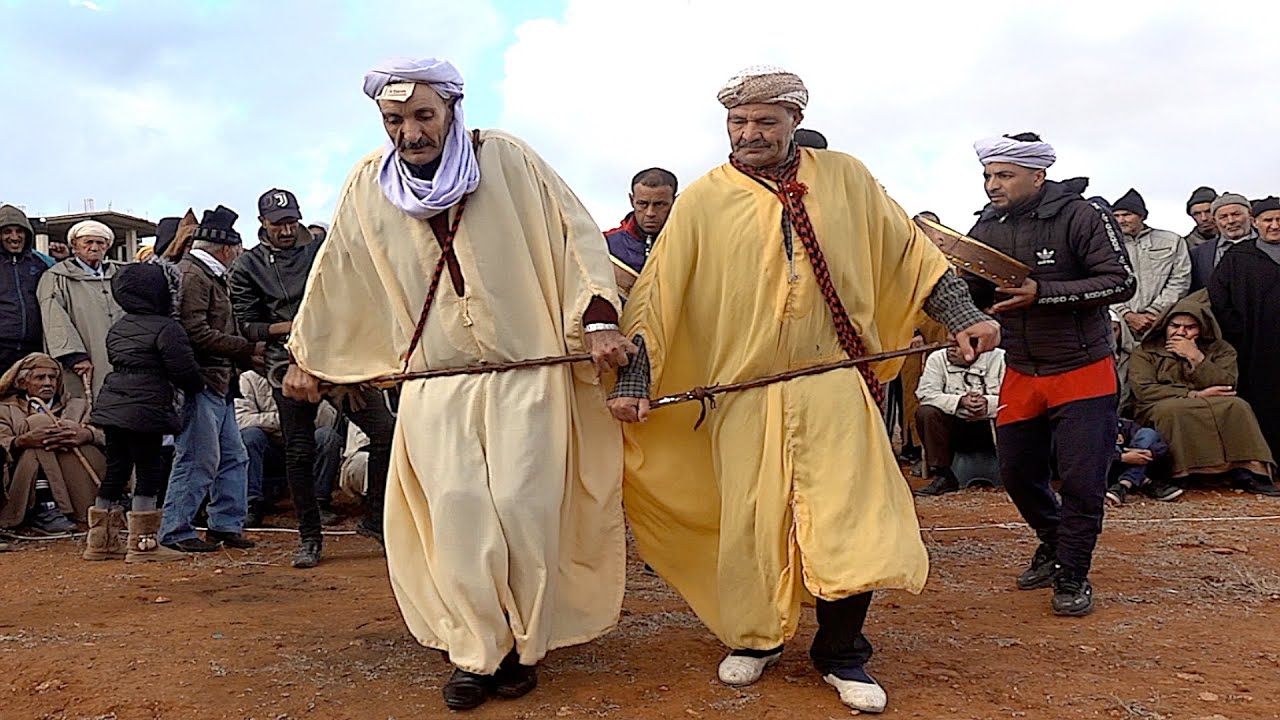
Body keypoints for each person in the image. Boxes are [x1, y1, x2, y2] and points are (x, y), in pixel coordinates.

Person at [609, 65, 999, 714]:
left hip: (836, 385)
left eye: (765, 121)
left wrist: (964, 316)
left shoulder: (843, 176)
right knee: (753, 525)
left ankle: (843, 654)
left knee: (853, 521)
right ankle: (755, 639)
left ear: (794, 120)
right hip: (743, 393)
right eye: (738, 122)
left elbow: (910, 253)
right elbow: (658, 295)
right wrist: (633, 379)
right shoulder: (705, 197)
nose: (750, 133)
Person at [282, 57, 629, 711]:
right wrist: (310, 355)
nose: (410, 132)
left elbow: (575, 233)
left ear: (451, 111)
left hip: (529, 377)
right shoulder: (367, 183)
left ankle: (525, 648)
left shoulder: (507, 159)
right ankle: (477, 651)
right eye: (395, 120)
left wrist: (598, 314)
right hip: (437, 384)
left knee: (525, 512)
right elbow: (339, 271)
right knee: (461, 514)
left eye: (422, 116)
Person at [966, 133, 1136, 618]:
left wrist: (1041, 292)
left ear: (1038, 176)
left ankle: (1073, 572)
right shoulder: (985, 223)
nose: (991, 184)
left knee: (1082, 481)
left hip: (1084, 368)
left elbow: (1121, 282)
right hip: (1021, 365)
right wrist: (967, 318)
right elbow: (976, 290)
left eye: (1003, 175)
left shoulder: (1084, 214)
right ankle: (1053, 541)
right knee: (1018, 473)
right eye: (987, 175)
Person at [230, 187, 395, 567]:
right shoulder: (247, 266)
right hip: (285, 365)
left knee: (386, 432)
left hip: (338, 361)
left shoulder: (322, 251)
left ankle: (375, 519)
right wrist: (301, 325)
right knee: (299, 449)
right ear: (262, 224)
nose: (286, 231)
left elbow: (350, 300)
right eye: (278, 224)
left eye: (291, 222)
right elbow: (249, 326)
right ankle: (309, 537)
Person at [159, 206, 264, 553]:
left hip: (219, 380)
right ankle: (175, 530)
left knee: (234, 456)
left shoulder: (204, 274)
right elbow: (194, 332)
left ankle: (224, 524)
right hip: (202, 380)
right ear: (226, 248)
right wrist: (246, 348)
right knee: (197, 458)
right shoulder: (194, 275)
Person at [86, 261, 207, 562]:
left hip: (113, 404)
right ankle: (144, 544)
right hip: (147, 406)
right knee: (149, 470)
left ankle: (100, 541)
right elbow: (182, 369)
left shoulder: (118, 326)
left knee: (116, 468)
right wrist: (199, 385)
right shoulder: (167, 327)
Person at [1129, 300, 1277, 495]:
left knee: (1236, 406)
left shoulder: (1221, 349)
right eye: (1175, 326)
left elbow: (1228, 383)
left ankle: (1248, 472)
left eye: (1189, 327)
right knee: (1173, 411)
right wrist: (1192, 395)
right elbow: (1144, 389)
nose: (1181, 332)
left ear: (1202, 329)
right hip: (1161, 403)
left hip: (1214, 399)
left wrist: (1197, 358)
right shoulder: (1145, 351)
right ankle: (1178, 474)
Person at [0, 353, 105, 533]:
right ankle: (45, 506)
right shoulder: (5, 409)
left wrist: (87, 434)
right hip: (24, 481)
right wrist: (22, 441)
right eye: (40, 378)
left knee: (62, 428)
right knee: (38, 425)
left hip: (76, 481)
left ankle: (63, 508)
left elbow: (108, 435)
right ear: (23, 383)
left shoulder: (78, 406)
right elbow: (2, 444)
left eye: (53, 377)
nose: (48, 383)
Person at [1210, 196, 1280, 460]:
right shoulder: (1237, 258)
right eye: (1267, 220)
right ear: (1255, 222)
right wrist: (1239, 334)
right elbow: (1220, 300)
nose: (1274, 225)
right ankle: (1264, 462)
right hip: (1255, 349)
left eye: (1279, 219)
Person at [234, 368, 343, 528]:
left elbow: (327, 419)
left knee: (327, 437)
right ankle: (252, 504)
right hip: (270, 447)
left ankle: (320, 502)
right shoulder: (249, 378)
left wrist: (314, 395)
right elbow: (242, 420)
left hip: (303, 441)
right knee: (250, 436)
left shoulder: (309, 376)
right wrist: (287, 418)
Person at [37, 220, 124, 399]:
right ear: (75, 246)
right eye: (88, 242)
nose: (94, 247)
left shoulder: (120, 276)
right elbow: (54, 318)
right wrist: (74, 356)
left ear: (107, 246)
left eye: (100, 243)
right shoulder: (56, 277)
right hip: (83, 358)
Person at [912, 344, 1005, 496]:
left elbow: (1013, 396)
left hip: (993, 426)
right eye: (948, 342)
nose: (950, 348)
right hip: (954, 426)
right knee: (926, 412)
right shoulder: (937, 358)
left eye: (957, 343)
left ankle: (1017, 475)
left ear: (977, 345)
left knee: (1017, 413)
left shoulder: (1001, 358)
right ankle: (943, 475)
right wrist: (960, 401)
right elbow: (925, 394)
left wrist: (987, 403)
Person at [1109, 189, 1191, 339]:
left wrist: (1154, 311)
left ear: (1142, 216)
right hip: (1119, 325)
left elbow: (1180, 279)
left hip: (1162, 320)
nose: (1121, 220)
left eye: (1127, 215)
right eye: (1116, 216)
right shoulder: (1106, 245)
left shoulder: (1172, 241)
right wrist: (1126, 314)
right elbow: (1103, 282)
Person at [604, 168, 677, 301]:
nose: (650, 213)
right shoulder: (605, 245)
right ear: (632, 200)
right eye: (642, 204)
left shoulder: (690, 245)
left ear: (675, 201)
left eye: (660, 204)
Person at [0, 205, 52, 373]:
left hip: (35, 348)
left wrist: (65, 257)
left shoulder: (43, 262)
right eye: (7, 231)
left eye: (19, 231)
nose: (14, 237)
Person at [1190, 193, 1255, 291]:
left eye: (1236, 214)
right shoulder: (1199, 254)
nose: (1231, 221)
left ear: (1250, 215)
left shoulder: (1271, 246)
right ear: (1215, 220)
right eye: (1223, 217)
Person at [1105, 418, 1176, 505]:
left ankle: (1124, 485)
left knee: (1148, 433)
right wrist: (1121, 457)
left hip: (1134, 462)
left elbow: (1162, 447)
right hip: (1106, 471)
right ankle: (1142, 481)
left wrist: (1151, 453)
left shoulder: (1127, 426)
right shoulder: (1088, 426)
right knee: (1107, 446)